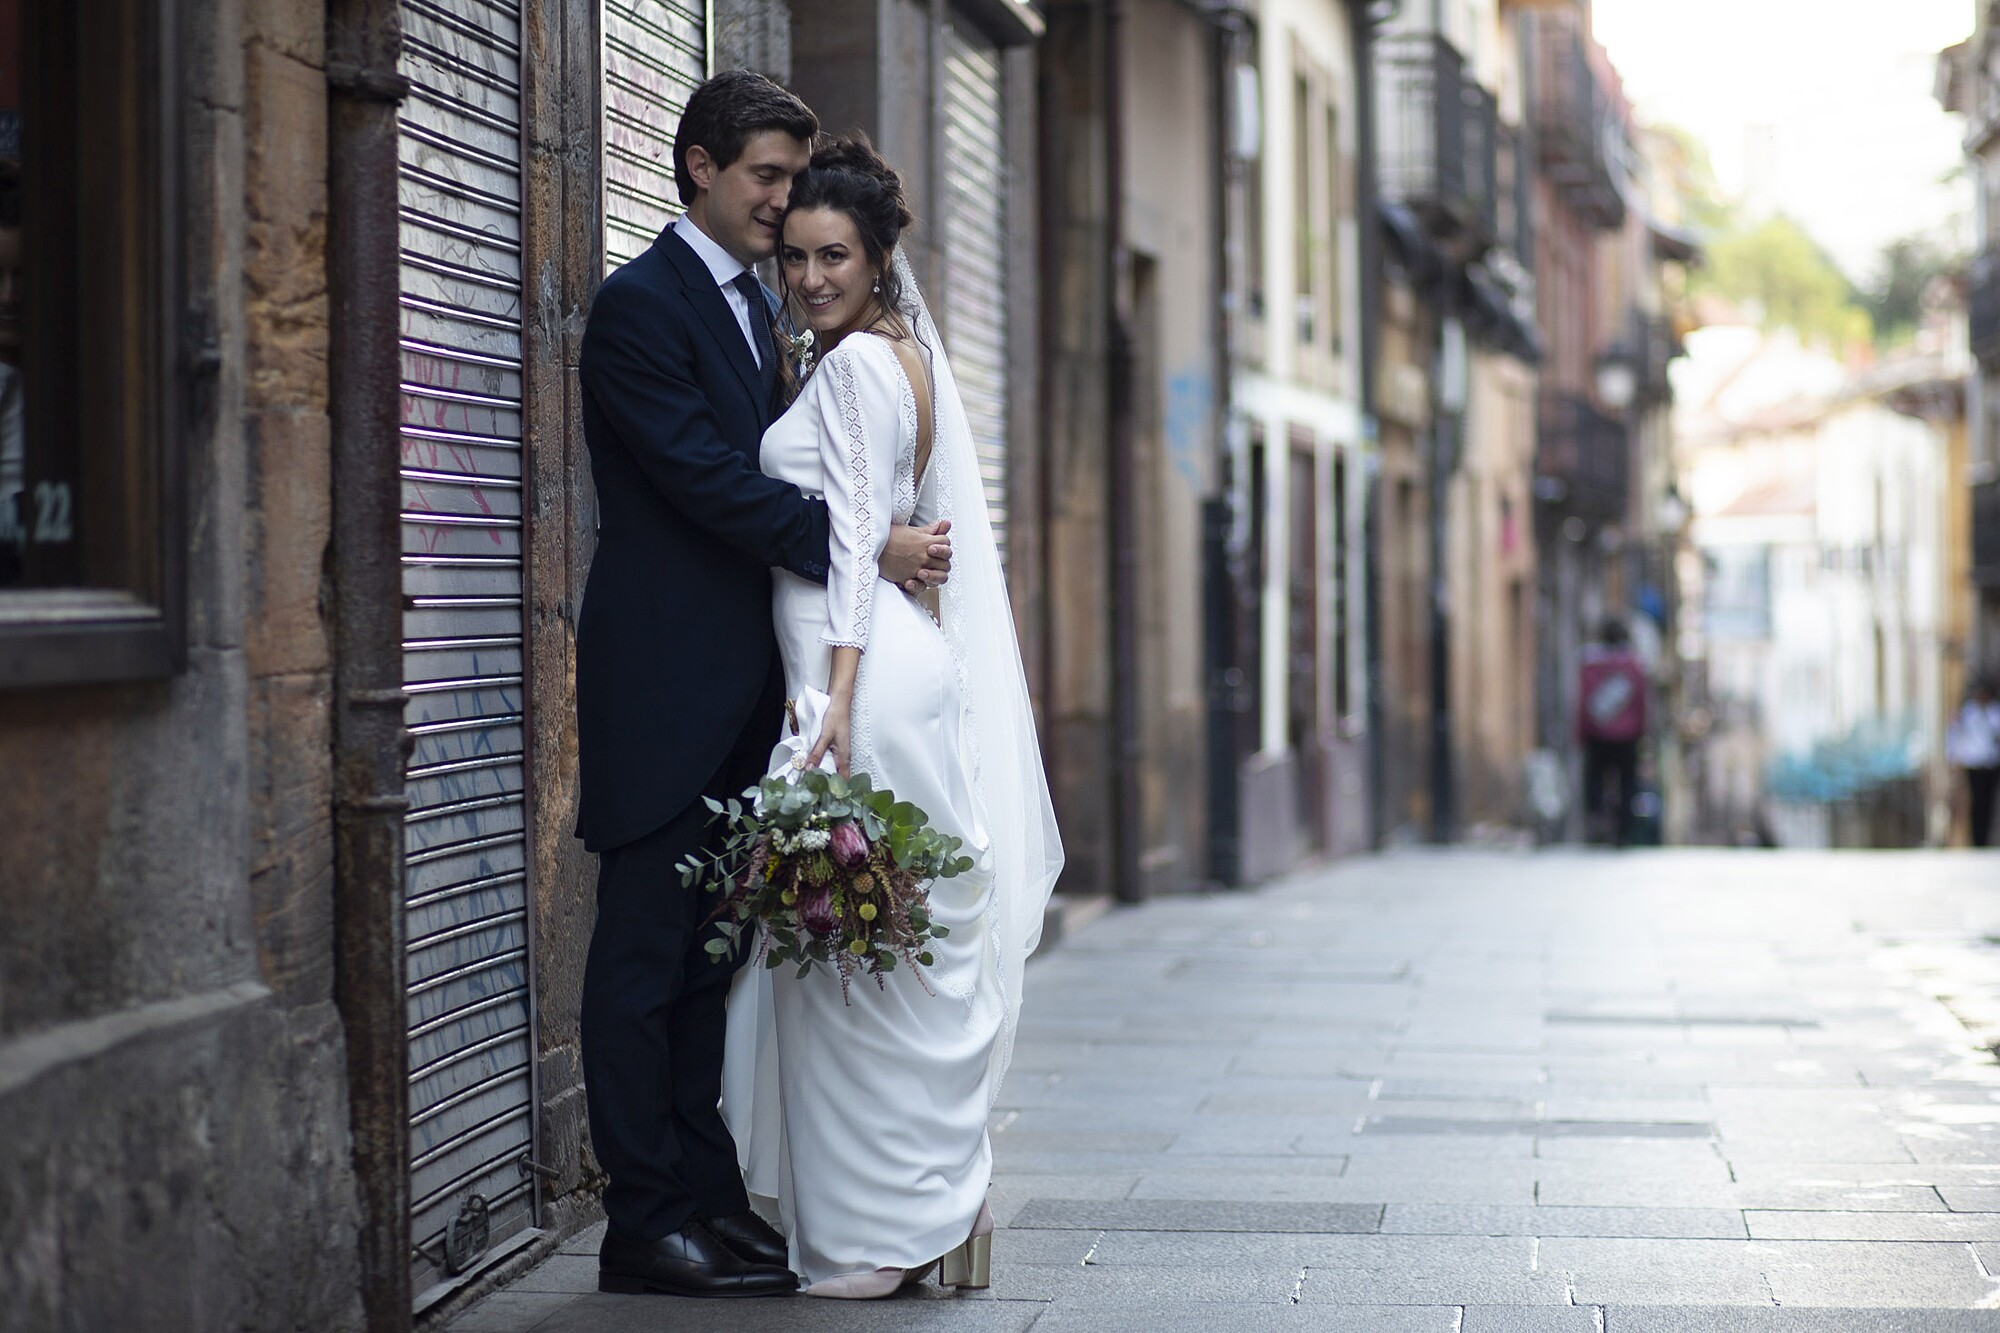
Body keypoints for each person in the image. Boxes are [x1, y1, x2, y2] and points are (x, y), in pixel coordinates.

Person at [573, 72, 953, 1301]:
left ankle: (710, 1201)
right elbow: (704, 483)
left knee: (705, 962)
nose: (784, 205)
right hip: (661, 683)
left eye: (795, 181)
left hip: (745, 690)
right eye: (765, 179)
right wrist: (867, 550)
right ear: (697, 167)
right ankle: (642, 1221)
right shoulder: (639, 306)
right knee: (639, 963)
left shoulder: (765, 308)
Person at [721, 135, 1063, 1298]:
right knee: (879, 944)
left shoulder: (860, 368)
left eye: (835, 256)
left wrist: (839, 700)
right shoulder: (892, 351)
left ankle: (876, 1232)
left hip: (860, 679)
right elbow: (877, 525)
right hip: (875, 669)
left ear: (877, 261)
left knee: (855, 952)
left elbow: (857, 524)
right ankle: (919, 1217)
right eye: (798, 255)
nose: (811, 276)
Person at [1577, 618, 1647, 847]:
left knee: (1595, 778)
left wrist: (1581, 731)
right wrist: (1642, 731)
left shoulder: (1590, 663)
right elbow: (1641, 702)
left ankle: (1597, 816)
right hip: (1627, 736)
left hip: (1597, 733)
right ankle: (1623, 830)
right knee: (1627, 782)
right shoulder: (1634, 664)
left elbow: (1584, 700)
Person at [1946, 678, 2000, 848]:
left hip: (1990, 763)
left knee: (1988, 802)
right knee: (1976, 801)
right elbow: (1955, 736)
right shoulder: (1967, 714)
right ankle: (1978, 840)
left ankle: (1986, 838)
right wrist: (1953, 758)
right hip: (1974, 763)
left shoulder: (1994, 713)